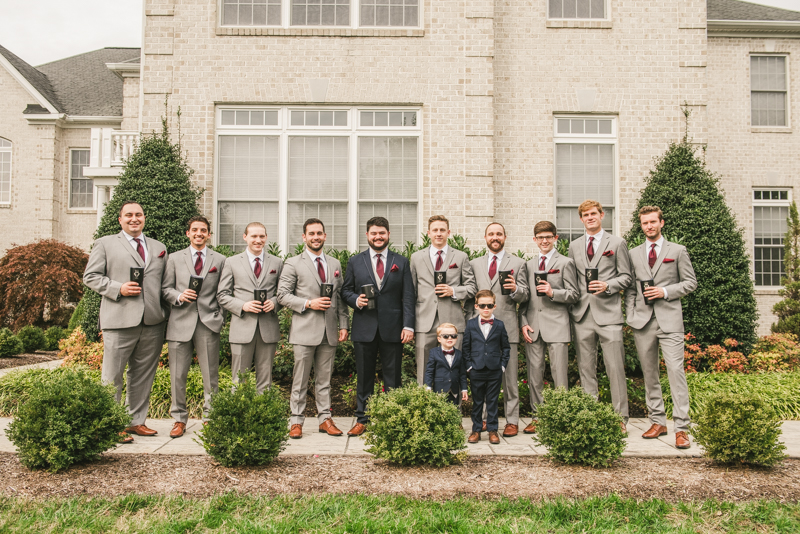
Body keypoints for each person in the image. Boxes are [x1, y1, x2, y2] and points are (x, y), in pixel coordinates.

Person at [83, 200, 168, 443]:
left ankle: (136, 422)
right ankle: (110, 424)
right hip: (119, 319)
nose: (134, 219)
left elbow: (162, 284)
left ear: (144, 218)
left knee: (143, 375)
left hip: (151, 321)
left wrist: (163, 312)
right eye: (128, 215)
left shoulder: (158, 247)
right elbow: (90, 277)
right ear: (120, 219)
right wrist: (117, 287)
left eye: (138, 215)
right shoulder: (105, 244)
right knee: (112, 375)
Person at [625, 206, 697, 449]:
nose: (649, 226)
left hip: (670, 321)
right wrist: (631, 314)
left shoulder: (677, 250)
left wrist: (665, 291)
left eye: (653, 222)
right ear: (641, 225)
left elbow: (690, 282)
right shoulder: (633, 253)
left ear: (661, 223)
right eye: (645, 223)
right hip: (642, 322)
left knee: (676, 372)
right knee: (649, 374)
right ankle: (657, 421)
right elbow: (631, 288)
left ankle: (681, 428)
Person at [341, 216, 415, 436]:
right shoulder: (355, 261)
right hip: (364, 327)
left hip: (393, 328)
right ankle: (363, 419)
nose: (378, 236)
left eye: (382, 233)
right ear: (367, 235)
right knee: (364, 376)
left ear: (389, 235)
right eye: (374, 233)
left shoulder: (401, 262)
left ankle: (391, 419)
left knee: (393, 376)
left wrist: (408, 326)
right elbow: (345, 290)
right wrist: (355, 300)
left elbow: (408, 296)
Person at [277, 218, 349, 439]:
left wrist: (344, 324)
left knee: (324, 379)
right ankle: (296, 421)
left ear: (325, 236)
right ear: (304, 237)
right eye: (311, 233)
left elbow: (339, 298)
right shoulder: (293, 263)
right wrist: (309, 303)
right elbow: (282, 295)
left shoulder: (335, 264)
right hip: (304, 330)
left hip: (329, 330)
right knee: (299, 380)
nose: (316, 237)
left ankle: (324, 419)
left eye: (319, 233)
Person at [567, 200, 633, 433]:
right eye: (585, 215)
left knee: (615, 368)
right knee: (586, 369)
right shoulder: (574, 246)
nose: (590, 217)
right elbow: (572, 280)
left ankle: (620, 418)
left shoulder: (616, 243)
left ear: (602, 215)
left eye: (594, 213)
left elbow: (626, 277)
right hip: (582, 315)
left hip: (609, 315)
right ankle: (591, 415)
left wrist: (607, 284)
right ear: (581, 219)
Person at [161, 215, 226, 438]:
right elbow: (165, 289)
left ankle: (211, 417)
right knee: (178, 375)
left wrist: (220, 316)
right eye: (195, 230)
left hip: (208, 323)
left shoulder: (220, 260)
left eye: (203, 230)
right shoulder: (174, 259)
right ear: (188, 233)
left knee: (211, 375)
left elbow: (224, 292)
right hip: (180, 322)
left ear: (209, 234)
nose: (199, 233)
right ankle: (179, 419)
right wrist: (179, 296)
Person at [467, 222, 527, 437]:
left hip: (507, 329)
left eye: (499, 234)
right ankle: (483, 420)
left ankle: (512, 420)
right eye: (491, 234)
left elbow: (525, 295)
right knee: (482, 377)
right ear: (485, 237)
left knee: (509, 380)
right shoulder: (473, 263)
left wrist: (516, 290)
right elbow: (469, 295)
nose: (495, 237)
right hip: (480, 332)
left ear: (505, 236)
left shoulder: (519, 263)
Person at [520, 221, 579, 434]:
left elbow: (574, 294)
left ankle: (560, 417)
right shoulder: (527, 265)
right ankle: (537, 416)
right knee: (535, 374)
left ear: (555, 238)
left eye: (548, 236)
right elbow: (524, 299)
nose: (544, 241)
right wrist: (523, 322)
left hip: (557, 325)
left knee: (559, 374)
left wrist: (554, 292)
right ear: (534, 240)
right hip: (533, 326)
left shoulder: (565, 263)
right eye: (540, 237)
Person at [217, 222, 283, 393]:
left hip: (268, 328)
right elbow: (222, 295)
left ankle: (263, 417)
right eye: (254, 236)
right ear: (245, 237)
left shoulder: (277, 263)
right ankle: (238, 418)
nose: (258, 240)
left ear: (266, 238)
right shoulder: (231, 262)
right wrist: (242, 305)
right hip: (242, 327)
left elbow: (284, 293)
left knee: (265, 379)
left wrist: (274, 302)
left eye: (261, 236)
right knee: (239, 379)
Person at [410, 215, 477, 386]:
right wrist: (409, 323)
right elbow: (411, 293)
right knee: (424, 370)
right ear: (428, 233)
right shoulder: (416, 257)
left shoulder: (461, 257)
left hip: (452, 320)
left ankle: (454, 410)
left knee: (454, 370)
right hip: (424, 321)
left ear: (448, 232)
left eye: (442, 230)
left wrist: (453, 290)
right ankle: (424, 408)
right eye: (435, 230)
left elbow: (472, 288)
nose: (438, 234)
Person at [463, 290, 511, 445]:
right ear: (476, 306)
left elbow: (506, 347)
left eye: (489, 305)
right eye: (482, 305)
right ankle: (476, 430)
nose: (486, 308)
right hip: (476, 369)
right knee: (477, 401)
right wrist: (469, 366)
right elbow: (466, 347)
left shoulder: (499, 325)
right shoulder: (470, 324)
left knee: (492, 401)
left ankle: (492, 430)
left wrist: (502, 365)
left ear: (494, 306)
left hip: (494, 369)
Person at [423, 323, 468, 406]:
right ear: (439, 339)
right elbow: (429, 372)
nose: (450, 338)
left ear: (457, 338)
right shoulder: (434, 353)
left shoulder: (459, 354)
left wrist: (464, 389)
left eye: (453, 336)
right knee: (439, 410)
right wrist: (428, 386)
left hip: (454, 391)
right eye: (445, 336)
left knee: (454, 409)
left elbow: (462, 374)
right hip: (439, 390)